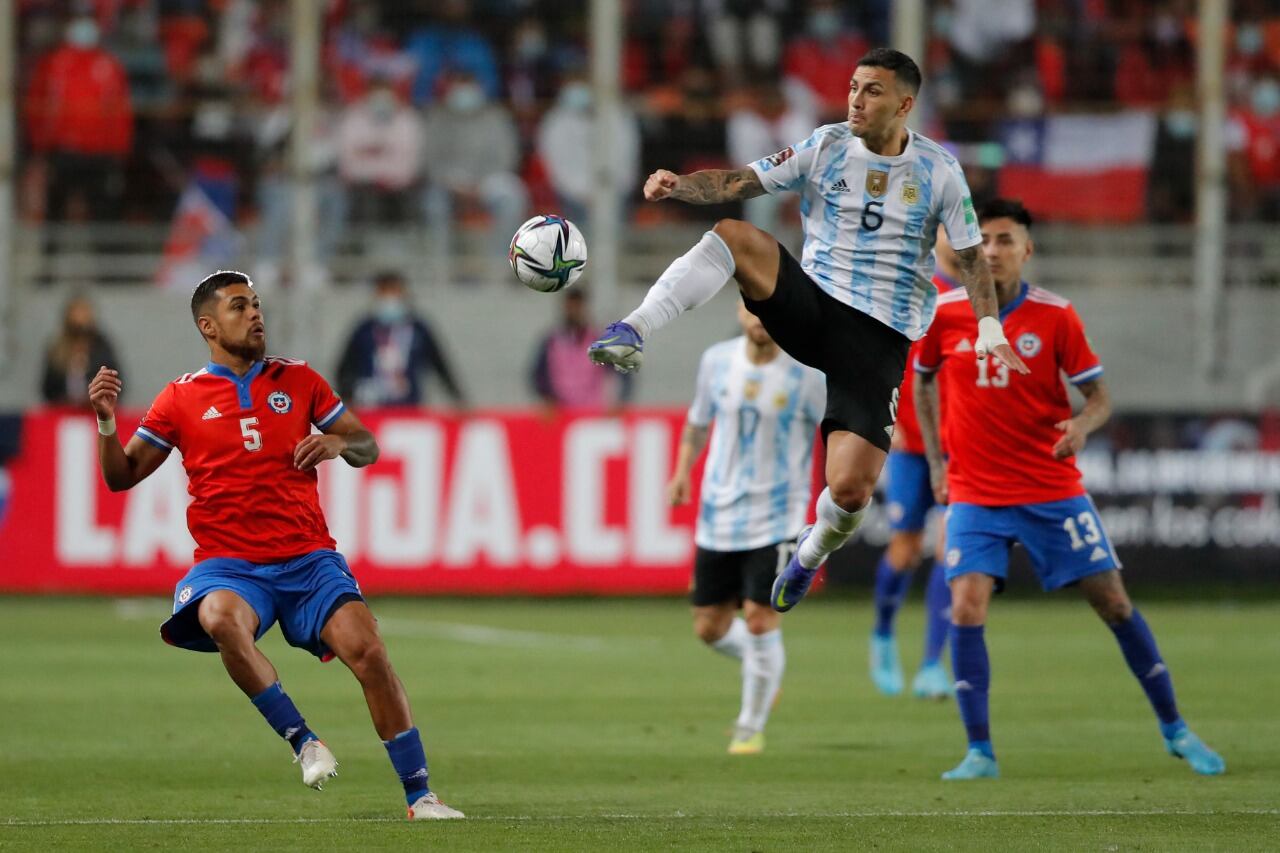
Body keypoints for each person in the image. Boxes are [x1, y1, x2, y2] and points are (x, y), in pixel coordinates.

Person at [589, 48, 1029, 615]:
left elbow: (969, 256)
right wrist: (679, 187)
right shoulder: (824, 146)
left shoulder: (939, 170)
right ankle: (633, 327)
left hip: (878, 338)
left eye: (871, 90)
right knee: (734, 234)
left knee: (849, 490)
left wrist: (990, 326)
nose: (855, 98)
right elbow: (739, 182)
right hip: (813, 305)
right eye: (852, 86)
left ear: (904, 103)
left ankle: (808, 556)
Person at [86, 271, 463, 819]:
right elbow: (121, 477)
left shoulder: (301, 380)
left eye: (258, 304)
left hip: (308, 558)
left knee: (370, 652)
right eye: (241, 307)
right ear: (209, 326)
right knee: (218, 619)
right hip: (231, 566)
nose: (257, 314)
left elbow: (367, 445)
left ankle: (420, 795)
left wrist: (337, 441)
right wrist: (103, 423)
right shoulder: (180, 398)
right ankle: (303, 740)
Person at [914, 199, 1224, 780]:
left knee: (1113, 602)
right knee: (964, 603)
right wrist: (936, 460)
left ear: (1027, 250)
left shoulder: (1056, 317)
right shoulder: (943, 313)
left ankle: (1175, 728)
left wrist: (1082, 424)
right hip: (975, 492)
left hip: (1050, 488)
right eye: (983, 239)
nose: (994, 250)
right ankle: (979, 752)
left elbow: (1100, 397)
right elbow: (923, 384)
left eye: (1007, 239)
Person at [667, 302, 825, 754]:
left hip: (778, 516)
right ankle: (764, 666)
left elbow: (835, 429)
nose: (760, 317)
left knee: (759, 618)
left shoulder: (807, 374)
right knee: (709, 627)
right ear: (739, 310)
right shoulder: (716, 361)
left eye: (771, 309)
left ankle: (749, 726)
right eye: (751, 307)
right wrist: (681, 472)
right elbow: (698, 423)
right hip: (719, 512)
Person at [866, 228, 961, 700]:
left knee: (949, 550)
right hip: (910, 447)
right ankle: (882, 635)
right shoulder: (917, 291)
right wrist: (887, 415)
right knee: (904, 550)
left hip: (959, 449)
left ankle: (931, 665)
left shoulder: (983, 300)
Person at [335, 271, 467, 408]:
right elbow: (344, 368)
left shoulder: (418, 329)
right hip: (371, 409)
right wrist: (348, 396)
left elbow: (440, 364)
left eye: (394, 292)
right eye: (384, 292)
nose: (390, 298)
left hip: (409, 407)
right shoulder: (364, 330)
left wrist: (457, 397)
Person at [528, 289, 632, 411]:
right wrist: (547, 398)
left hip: (592, 412)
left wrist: (619, 401)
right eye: (570, 307)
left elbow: (623, 371)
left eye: (577, 307)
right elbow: (537, 375)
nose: (573, 312)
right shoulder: (551, 342)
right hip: (562, 413)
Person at [42, 295, 122, 407]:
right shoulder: (57, 349)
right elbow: (48, 388)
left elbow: (116, 382)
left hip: (95, 410)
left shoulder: (102, 347)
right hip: (63, 411)